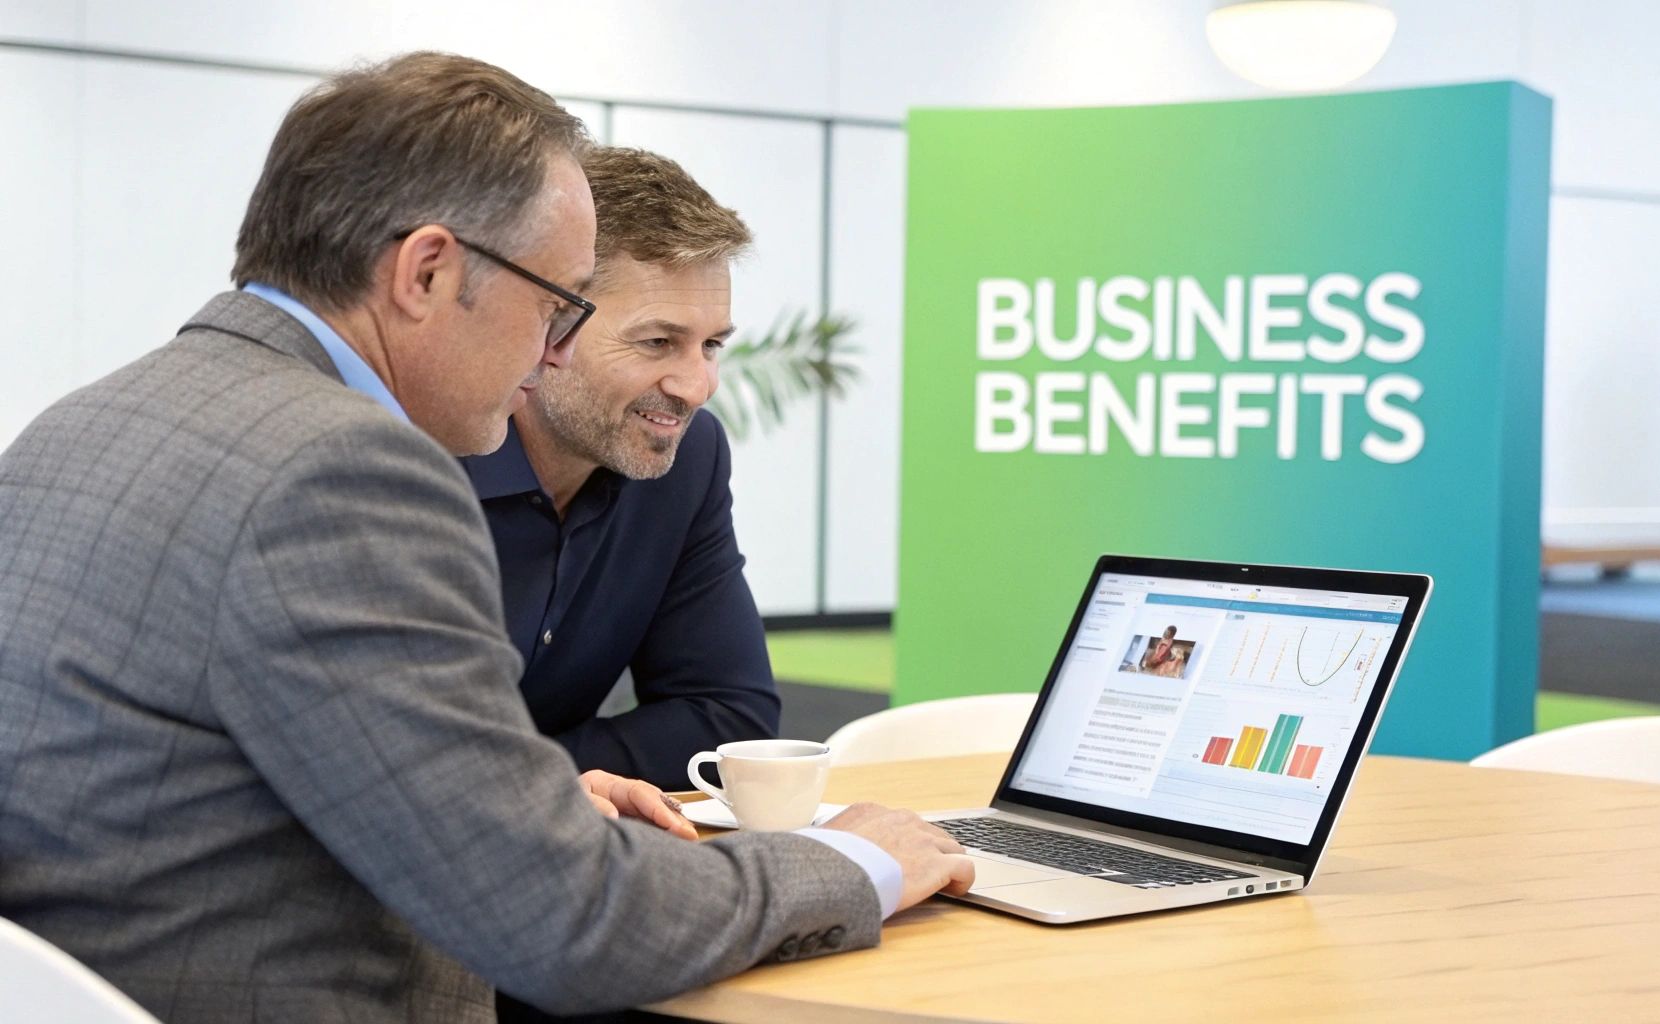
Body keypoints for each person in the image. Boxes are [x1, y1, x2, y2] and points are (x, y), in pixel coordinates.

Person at [0, 52, 971, 1023]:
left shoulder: (85, 421)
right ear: (426, 271)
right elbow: (568, 923)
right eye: (555, 304)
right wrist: (848, 861)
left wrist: (511, 798)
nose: (549, 349)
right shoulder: (345, 470)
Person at [462, 146, 776, 792]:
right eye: (658, 342)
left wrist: (527, 783)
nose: (698, 386)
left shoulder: (689, 459)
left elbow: (730, 722)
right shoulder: (412, 461)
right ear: (549, 325)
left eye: (712, 345)